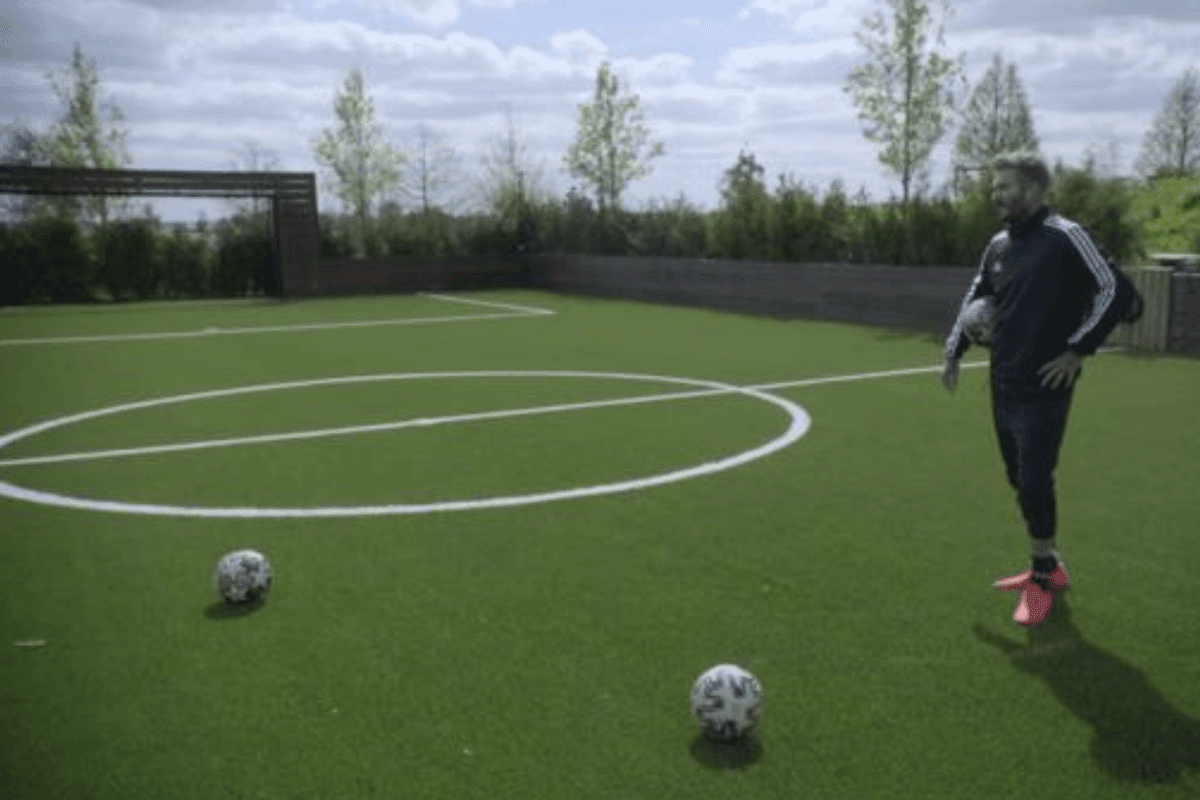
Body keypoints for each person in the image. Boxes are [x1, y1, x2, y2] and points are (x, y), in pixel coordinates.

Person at [941, 151, 1141, 627]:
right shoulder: (998, 245)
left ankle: (1043, 576)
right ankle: (1046, 560)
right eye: (994, 186)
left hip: (1046, 383)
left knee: (1034, 478)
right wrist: (954, 350)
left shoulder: (1066, 236)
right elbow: (977, 298)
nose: (996, 194)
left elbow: (1117, 290)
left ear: (1033, 188)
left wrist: (1077, 350)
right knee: (1018, 477)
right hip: (1003, 381)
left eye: (1005, 186)